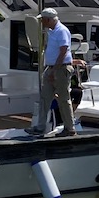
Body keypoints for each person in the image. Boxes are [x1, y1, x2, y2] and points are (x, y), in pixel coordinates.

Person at [32, 7, 77, 137]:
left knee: (63, 99)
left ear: (48, 19)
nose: (42, 23)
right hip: (52, 68)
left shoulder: (61, 30)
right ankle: (40, 126)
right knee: (44, 97)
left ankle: (69, 128)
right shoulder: (52, 31)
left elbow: (63, 51)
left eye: (43, 20)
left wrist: (54, 70)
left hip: (61, 68)